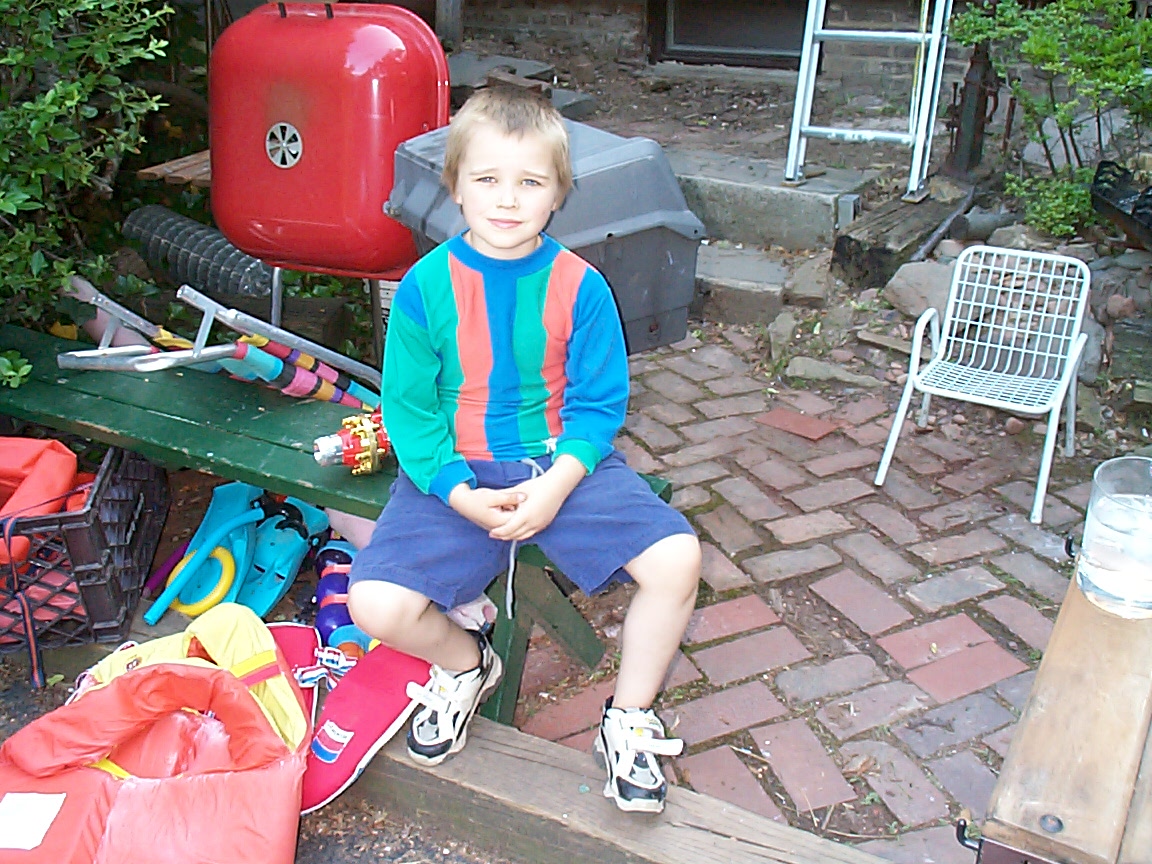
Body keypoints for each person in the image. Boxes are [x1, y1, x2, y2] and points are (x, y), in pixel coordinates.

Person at [346, 86, 701, 814]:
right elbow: (409, 411)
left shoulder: (582, 287)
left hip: (560, 463)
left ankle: (629, 717)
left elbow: (598, 406)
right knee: (375, 604)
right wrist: (457, 493)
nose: (507, 200)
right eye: (487, 179)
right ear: (454, 185)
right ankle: (466, 664)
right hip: (454, 472)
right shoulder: (423, 289)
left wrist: (559, 483)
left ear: (559, 193)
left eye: (531, 182)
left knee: (677, 560)